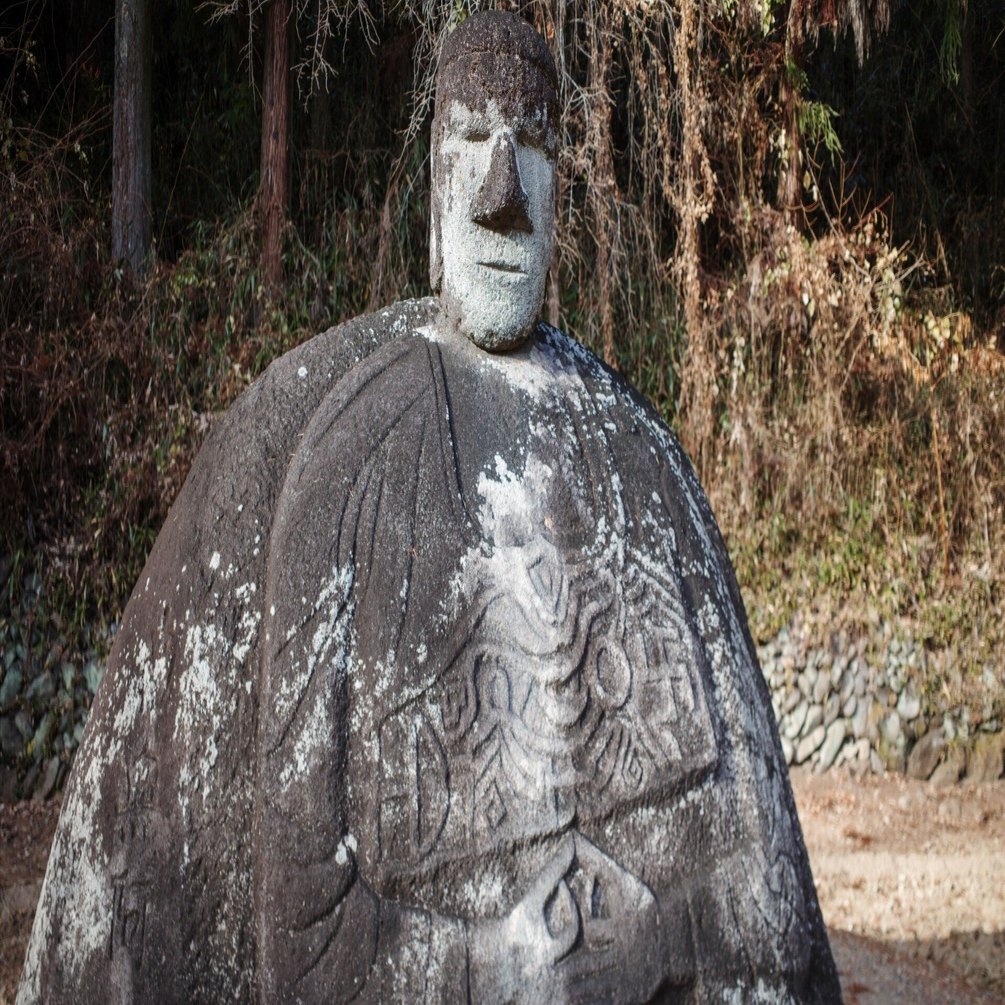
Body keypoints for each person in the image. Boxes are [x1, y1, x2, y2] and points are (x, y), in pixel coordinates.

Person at [20, 13, 840, 1004]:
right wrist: (504, 963)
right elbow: (305, 946)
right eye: (471, 140)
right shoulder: (346, 453)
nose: (502, 198)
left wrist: (659, 932)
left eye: (530, 149)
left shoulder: (645, 466)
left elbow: (774, 909)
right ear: (431, 183)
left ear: (562, 187)